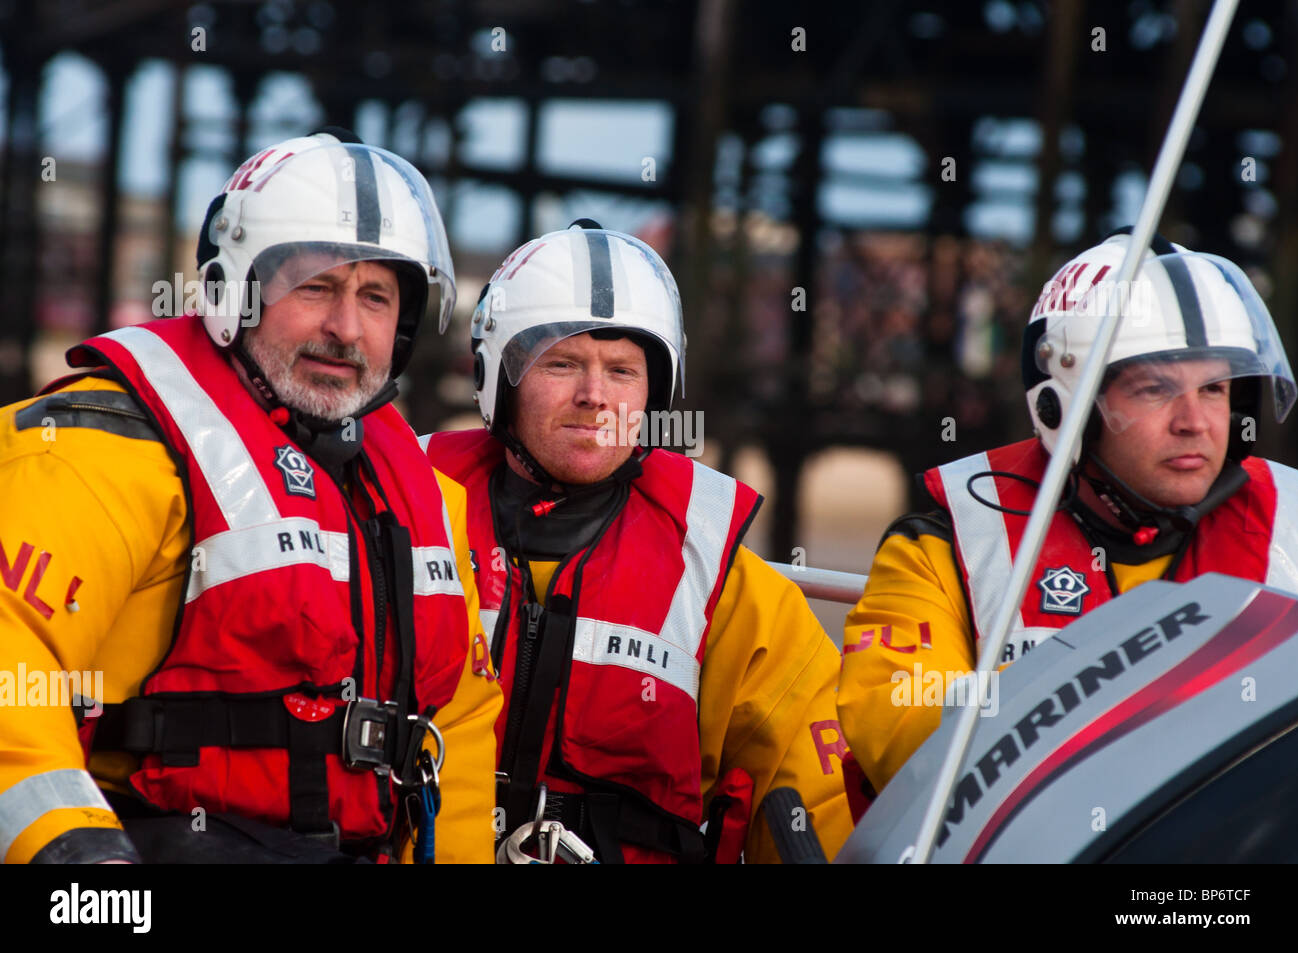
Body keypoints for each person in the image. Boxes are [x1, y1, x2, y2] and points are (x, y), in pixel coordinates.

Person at [0, 130, 502, 864]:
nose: (346, 328)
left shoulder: (424, 494)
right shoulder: (109, 442)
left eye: (375, 296)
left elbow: (455, 727)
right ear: (235, 289)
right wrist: (73, 854)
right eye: (316, 286)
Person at [423, 221, 853, 863]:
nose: (594, 397)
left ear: (656, 394)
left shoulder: (714, 573)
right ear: (498, 380)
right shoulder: (410, 509)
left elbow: (818, 790)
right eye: (562, 363)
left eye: (622, 370)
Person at [837, 231, 1298, 796]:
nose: (1195, 422)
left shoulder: (1291, 522)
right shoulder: (951, 541)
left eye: (1215, 389)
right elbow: (901, 731)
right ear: (1064, 406)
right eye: (1156, 389)